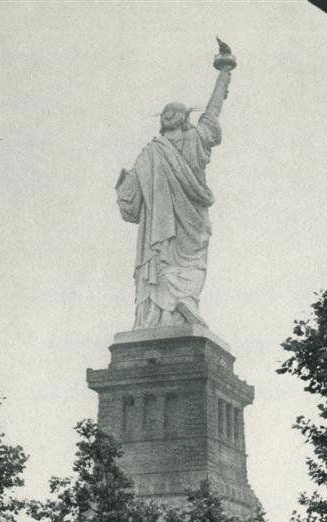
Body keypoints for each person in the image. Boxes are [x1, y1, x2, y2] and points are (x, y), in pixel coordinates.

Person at [116, 58, 234, 330]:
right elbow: (131, 195)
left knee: (169, 257)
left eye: (174, 111)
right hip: (170, 222)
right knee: (164, 258)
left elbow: (213, 111)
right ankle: (164, 314)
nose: (169, 113)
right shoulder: (152, 152)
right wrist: (125, 183)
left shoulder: (190, 139)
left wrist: (224, 76)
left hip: (184, 220)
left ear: (182, 118)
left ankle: (178, 307)